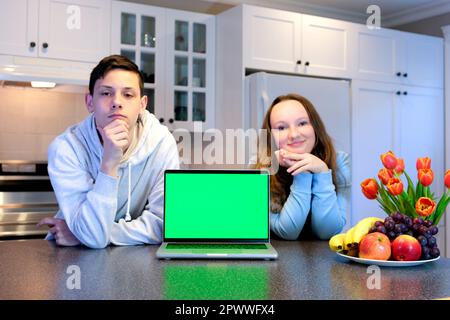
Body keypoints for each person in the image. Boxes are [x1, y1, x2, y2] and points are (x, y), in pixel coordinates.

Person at [37, 55, 180, 248]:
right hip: (74, 258)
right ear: (89, 102)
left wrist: (83, 233)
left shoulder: (162, 143)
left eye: (128, 95)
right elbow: (94, 237)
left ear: (142, 104)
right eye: (106, 93)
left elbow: (164, 225)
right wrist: (109, 163)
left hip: (122, 257)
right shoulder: (66, 148)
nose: (117, 102)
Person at [253, 93, 350, 240]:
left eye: (302, 123)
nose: (294, 134)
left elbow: (327, 232)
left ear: (315, 127)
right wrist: (302, 172)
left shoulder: (340, 162)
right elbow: (287, 232)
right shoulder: (260, 167)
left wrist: (322, 172)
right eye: (281, 127)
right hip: (278, 256)